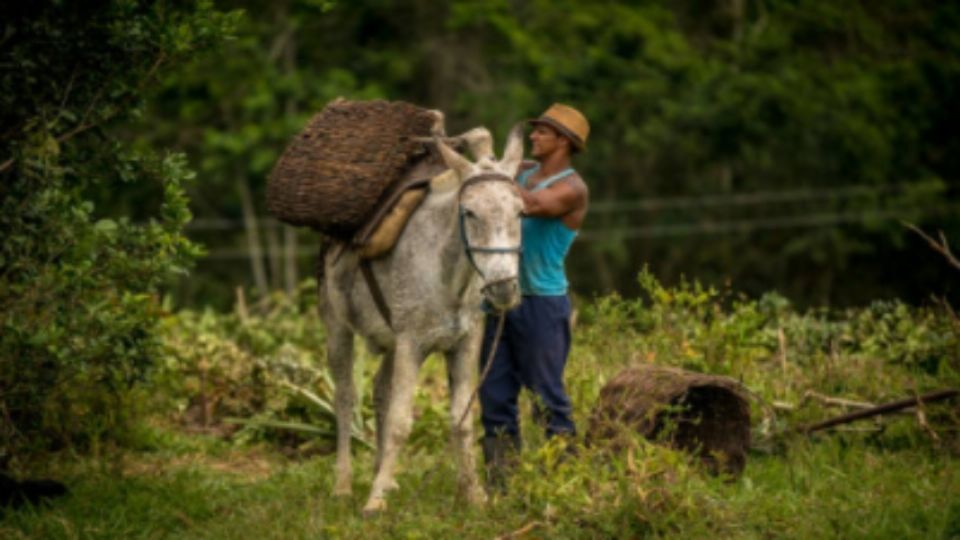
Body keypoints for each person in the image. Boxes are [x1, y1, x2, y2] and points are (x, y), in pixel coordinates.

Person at [479, 103, 590, 482]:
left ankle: (564, 482)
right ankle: (502, 485)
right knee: (494, 396)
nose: (533, 137)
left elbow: (528, 204)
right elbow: (491, 172)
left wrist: (489, 180)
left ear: (563, 140)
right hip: (499, 299)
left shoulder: (572, 189)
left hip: (541, 303)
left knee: (546, 397)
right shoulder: (523, 172)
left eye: (542, 131)